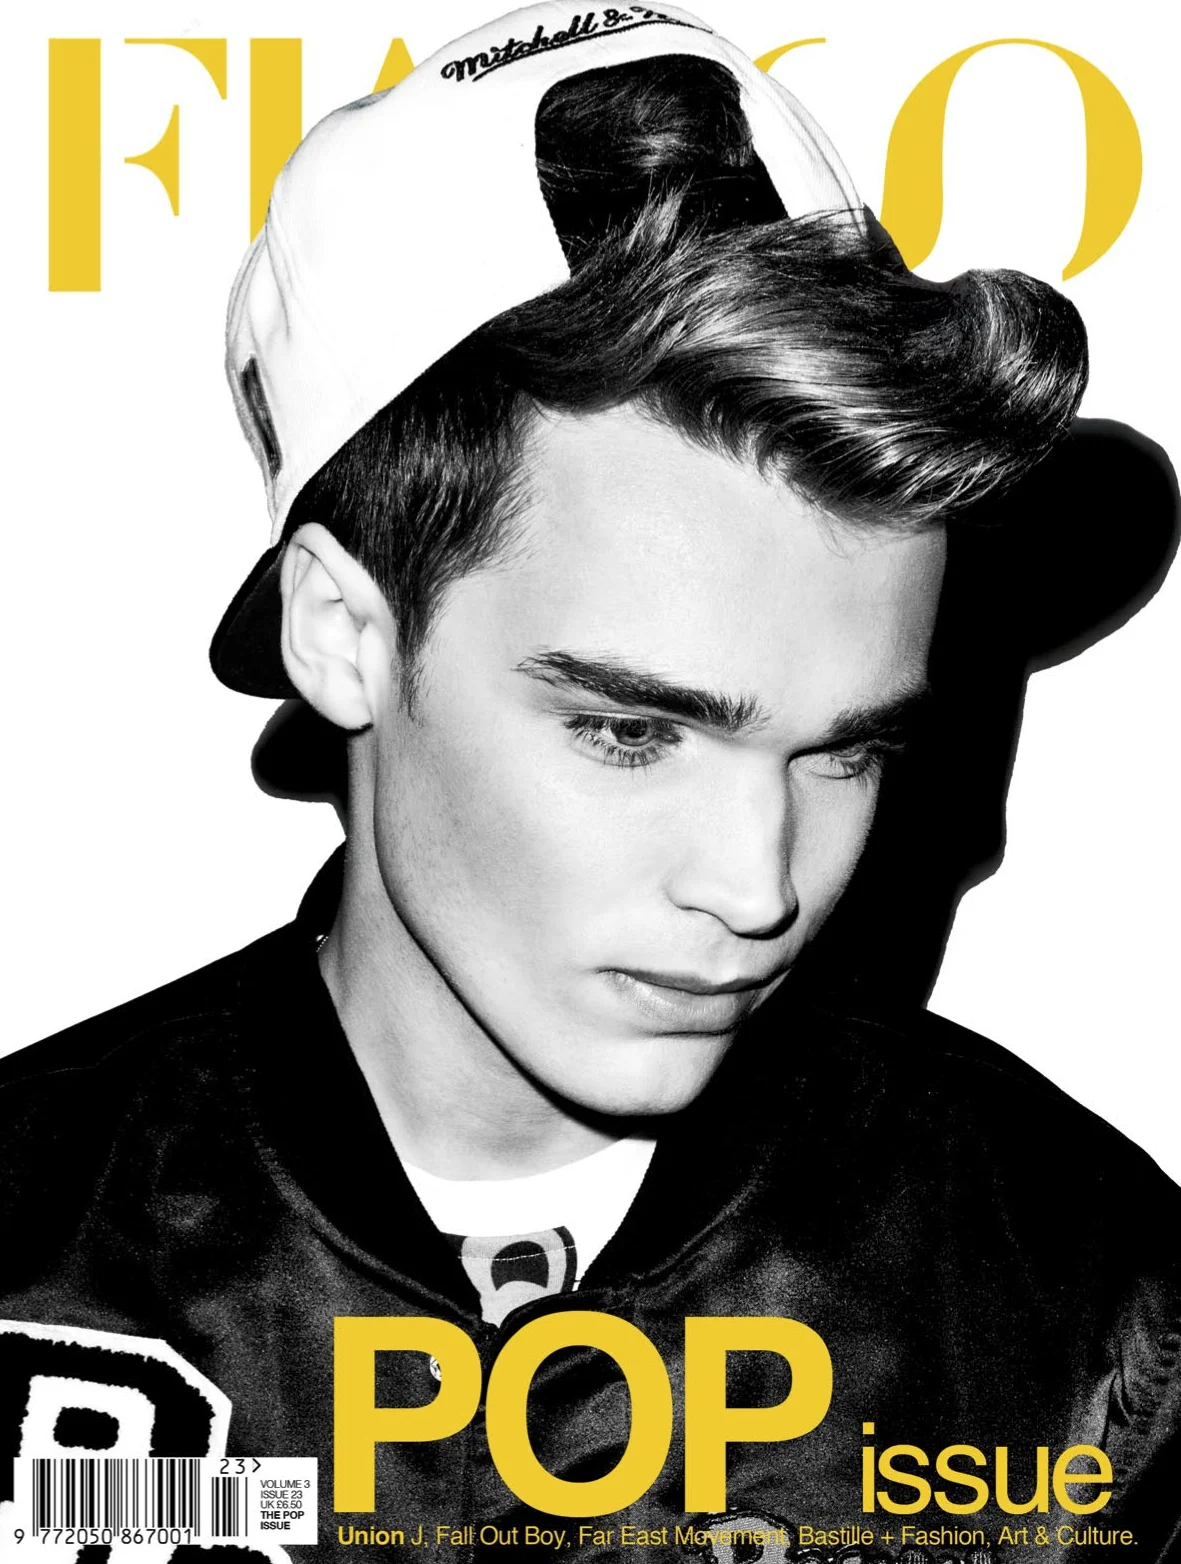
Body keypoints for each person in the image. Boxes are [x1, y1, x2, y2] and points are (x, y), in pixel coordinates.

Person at [2, 5, 1178, 1561]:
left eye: (848, 749)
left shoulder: (1084, 1297)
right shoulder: (27, 1242)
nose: (759, 887)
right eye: (631, 733)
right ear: (343, 634)